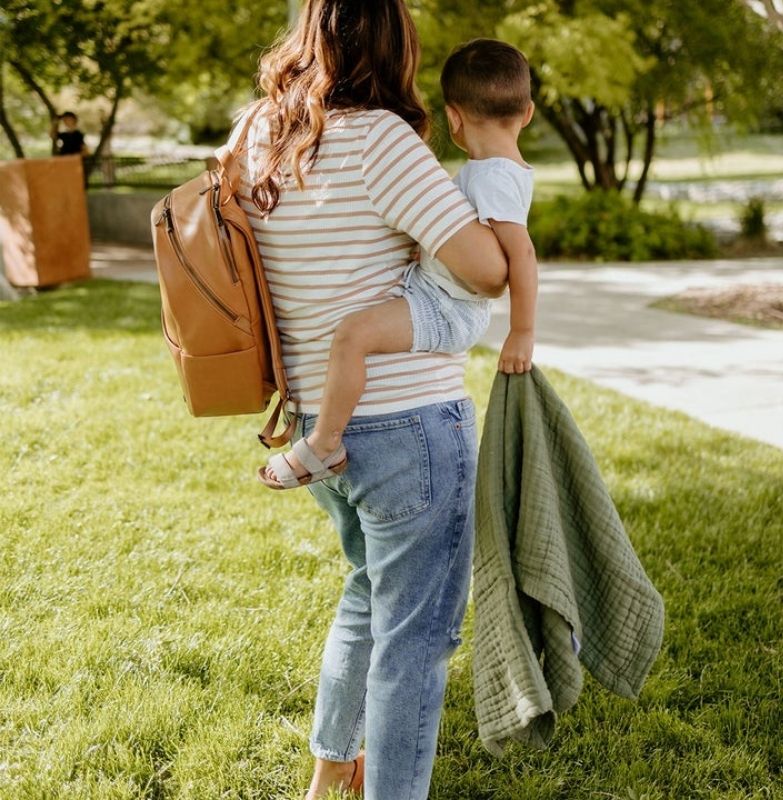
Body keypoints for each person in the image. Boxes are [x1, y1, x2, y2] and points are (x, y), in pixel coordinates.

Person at [233, 2, 509, 798]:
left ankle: (328, 778)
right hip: (411, 426)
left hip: (325, 423)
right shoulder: (379, 139)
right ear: (394, 44)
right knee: (415, 640)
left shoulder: (257, 135)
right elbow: (486, 269)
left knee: (367, 592)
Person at [260, 38, 539, 491]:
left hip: (446, 307)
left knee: (353, 335)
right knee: (354, 334)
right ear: (527, 113)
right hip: (439, 295)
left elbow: (519, 256)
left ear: (453, 117)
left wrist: (522, 332)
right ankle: (324, 439)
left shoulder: (493, 176)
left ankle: (325, 443)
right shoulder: (497, 171)